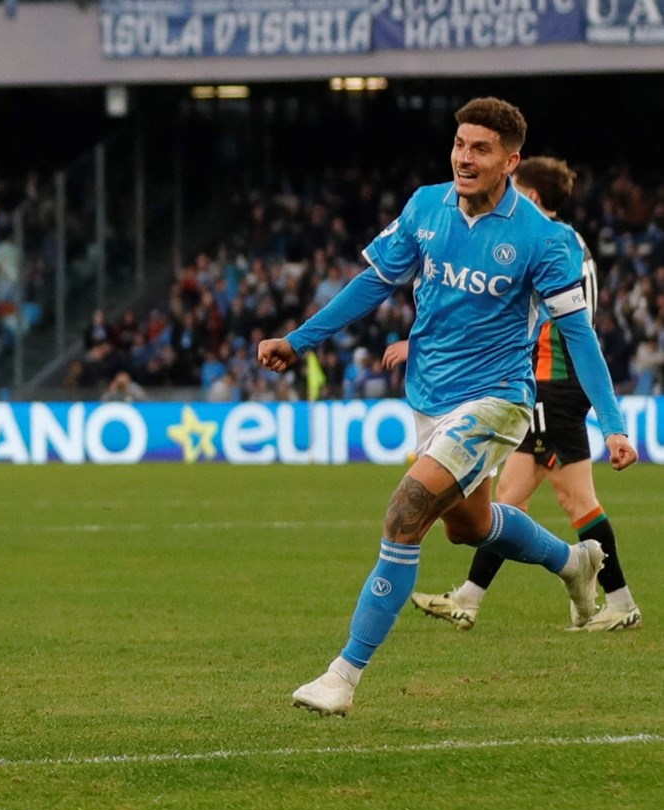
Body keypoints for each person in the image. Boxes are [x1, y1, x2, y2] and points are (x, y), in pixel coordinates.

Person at [257, 98, 637, 718]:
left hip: (496, 401)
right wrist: (298, 340)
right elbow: (375, 283)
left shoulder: (542, 240)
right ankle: (575, 563)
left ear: (511, 162)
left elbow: (580, 336)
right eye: (460, 144)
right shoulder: (426, 205)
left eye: (481, 148)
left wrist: (613, 424)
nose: (464, 157)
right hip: (430, 395)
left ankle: (342, 676)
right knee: (470, 527)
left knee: (406, 514)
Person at [397, 156, 641, 632]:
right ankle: (469, 598)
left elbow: (560, 324)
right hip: (548, 383)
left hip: (553, 381)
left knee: (576, 501)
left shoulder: (544, 239)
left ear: (529, 196)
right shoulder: (569, 240)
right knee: (508, 497)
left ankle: (620, 601)